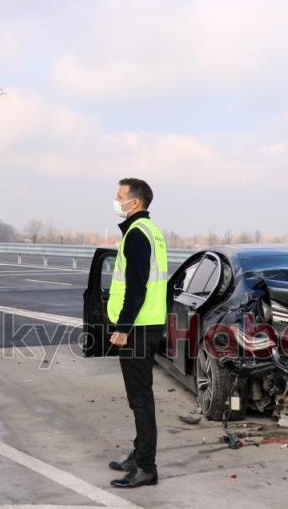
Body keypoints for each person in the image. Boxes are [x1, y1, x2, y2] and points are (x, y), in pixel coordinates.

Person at [106, 178, 168, 488]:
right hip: (150, 324)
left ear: (136, 202)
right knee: (139, 397)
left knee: (141, 399)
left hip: (138, 329)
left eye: (120, 196)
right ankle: (138, 453)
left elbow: (136, 287)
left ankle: (146, 467)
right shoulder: (152, 232)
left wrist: (122, 328)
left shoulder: (136, 235)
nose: (116, 200)